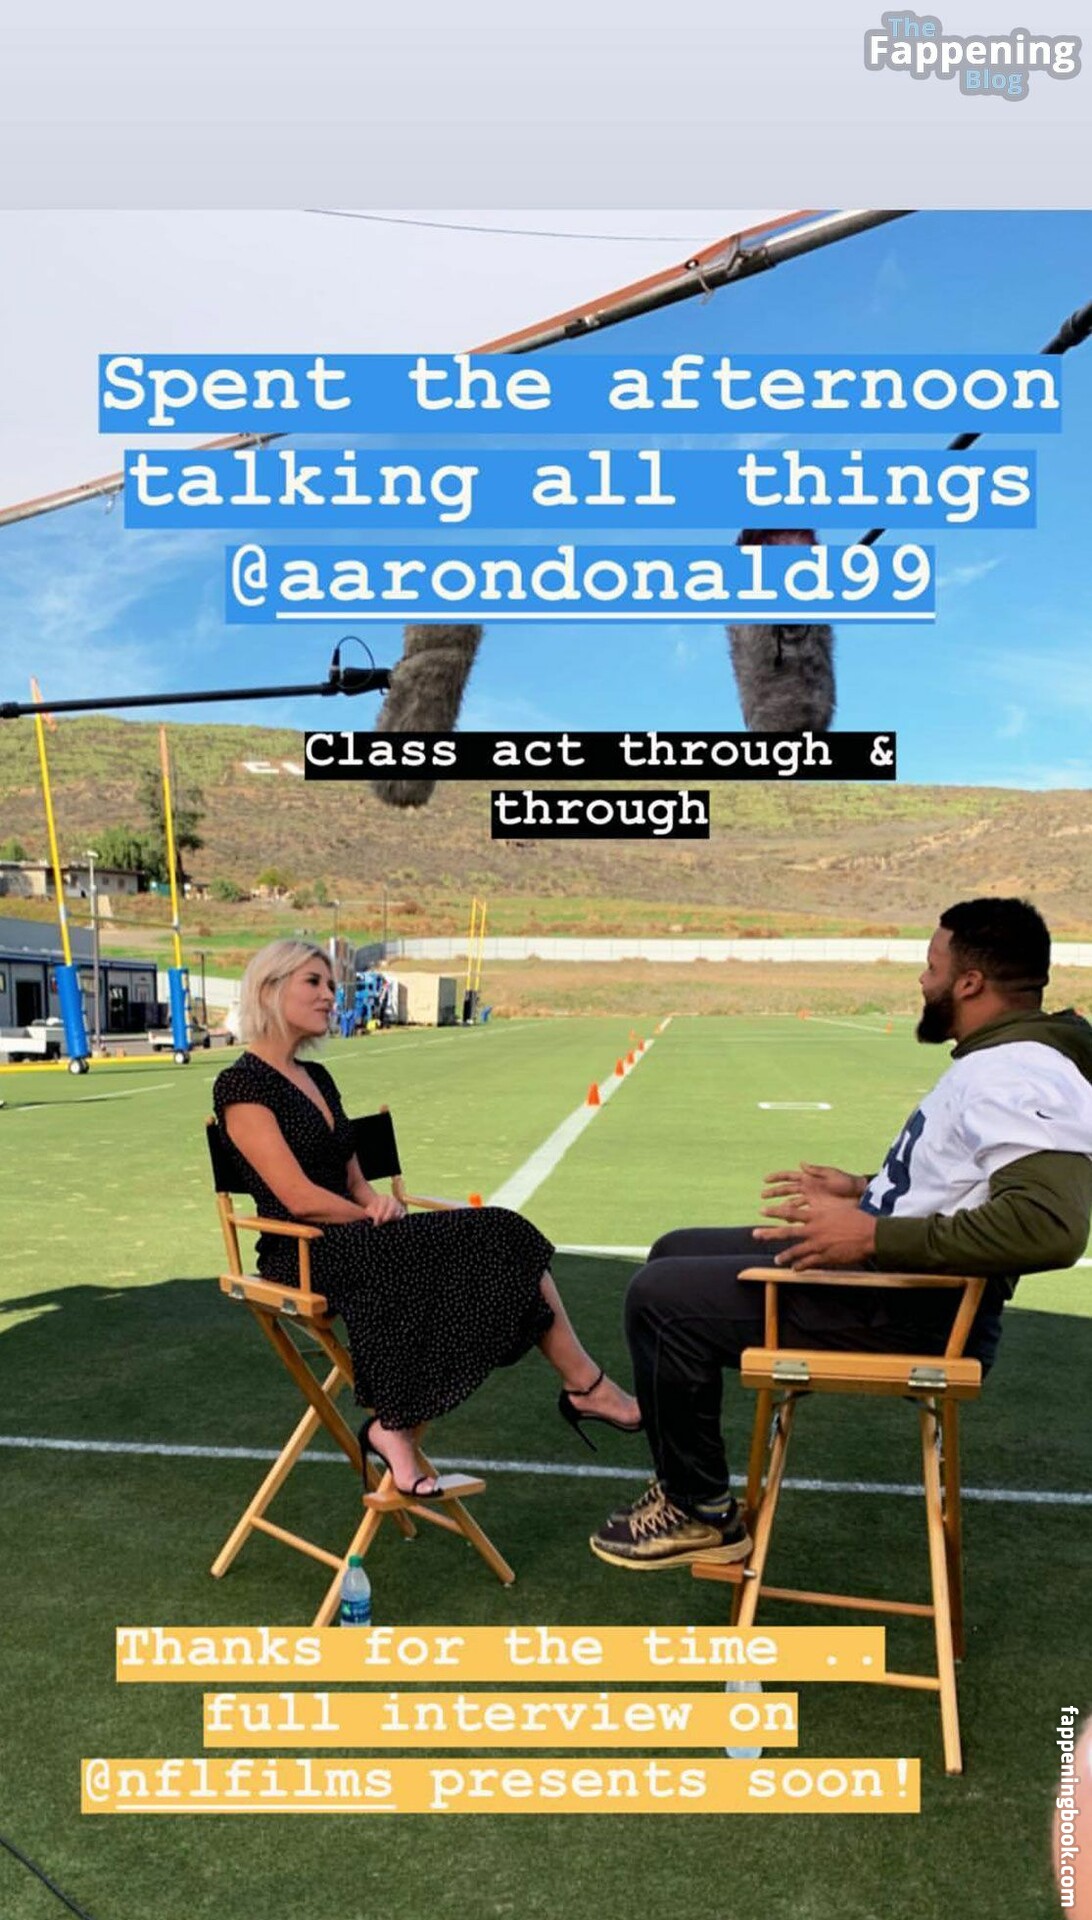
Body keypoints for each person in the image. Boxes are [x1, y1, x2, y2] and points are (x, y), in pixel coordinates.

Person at [591, 897, 1092, 1570]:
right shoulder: (999, 1057)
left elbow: (1051, 1227)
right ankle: (688, 1488)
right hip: (900, 1283)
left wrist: (871, 1237)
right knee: (673, 1250)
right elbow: (958, 1182)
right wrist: (863, 1190)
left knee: (659, 1299)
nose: (923, 980)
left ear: (971, 983)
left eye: (933, 966)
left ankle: (698, 1510)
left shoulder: (1018, 1069)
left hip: (916, 1308)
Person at [213, 939, 639, 1498]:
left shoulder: (318, 1077)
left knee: (505, 1235)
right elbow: (297, 1197)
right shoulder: (241, 1085)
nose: (329, 995)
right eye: (313, 982)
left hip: (357, 1236)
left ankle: (563, 1390)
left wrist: (376, 1204)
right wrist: (367, 1216)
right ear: (269, 989)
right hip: (303, 1250)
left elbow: (355, 1182)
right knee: (488, 1241)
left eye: (331, 984)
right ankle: (577, 1390)